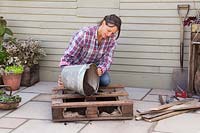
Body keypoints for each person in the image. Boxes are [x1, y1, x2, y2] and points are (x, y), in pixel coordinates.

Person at [59, 14, 122, 86]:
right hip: (77, 67)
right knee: (75, 84)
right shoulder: (84, 34)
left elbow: (107, 59)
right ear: (103, 23)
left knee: (105, 81)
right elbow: (68, 56)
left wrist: (101, 69)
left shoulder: (112, 40)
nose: (109, 35)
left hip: (94, 68)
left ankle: (91, 84)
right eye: (108, 30)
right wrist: (65, 74)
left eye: (112, 33)